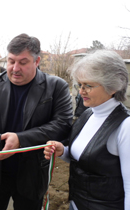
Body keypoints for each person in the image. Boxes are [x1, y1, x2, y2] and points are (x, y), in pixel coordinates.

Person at [0, 33, 73, 210]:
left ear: (37, 61)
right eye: (11, 61)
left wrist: (21, 139)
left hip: (33, 173)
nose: (14, 68)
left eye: (23, 62)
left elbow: (63, 124)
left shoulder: (56, 86)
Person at [44, 50, 130, 210]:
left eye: (88, 86)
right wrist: (63, 151)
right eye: (80, 85)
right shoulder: (88, 114)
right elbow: (83, 159)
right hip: (76, 204)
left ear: (113, 86)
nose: (81, 91)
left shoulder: (125, 126)